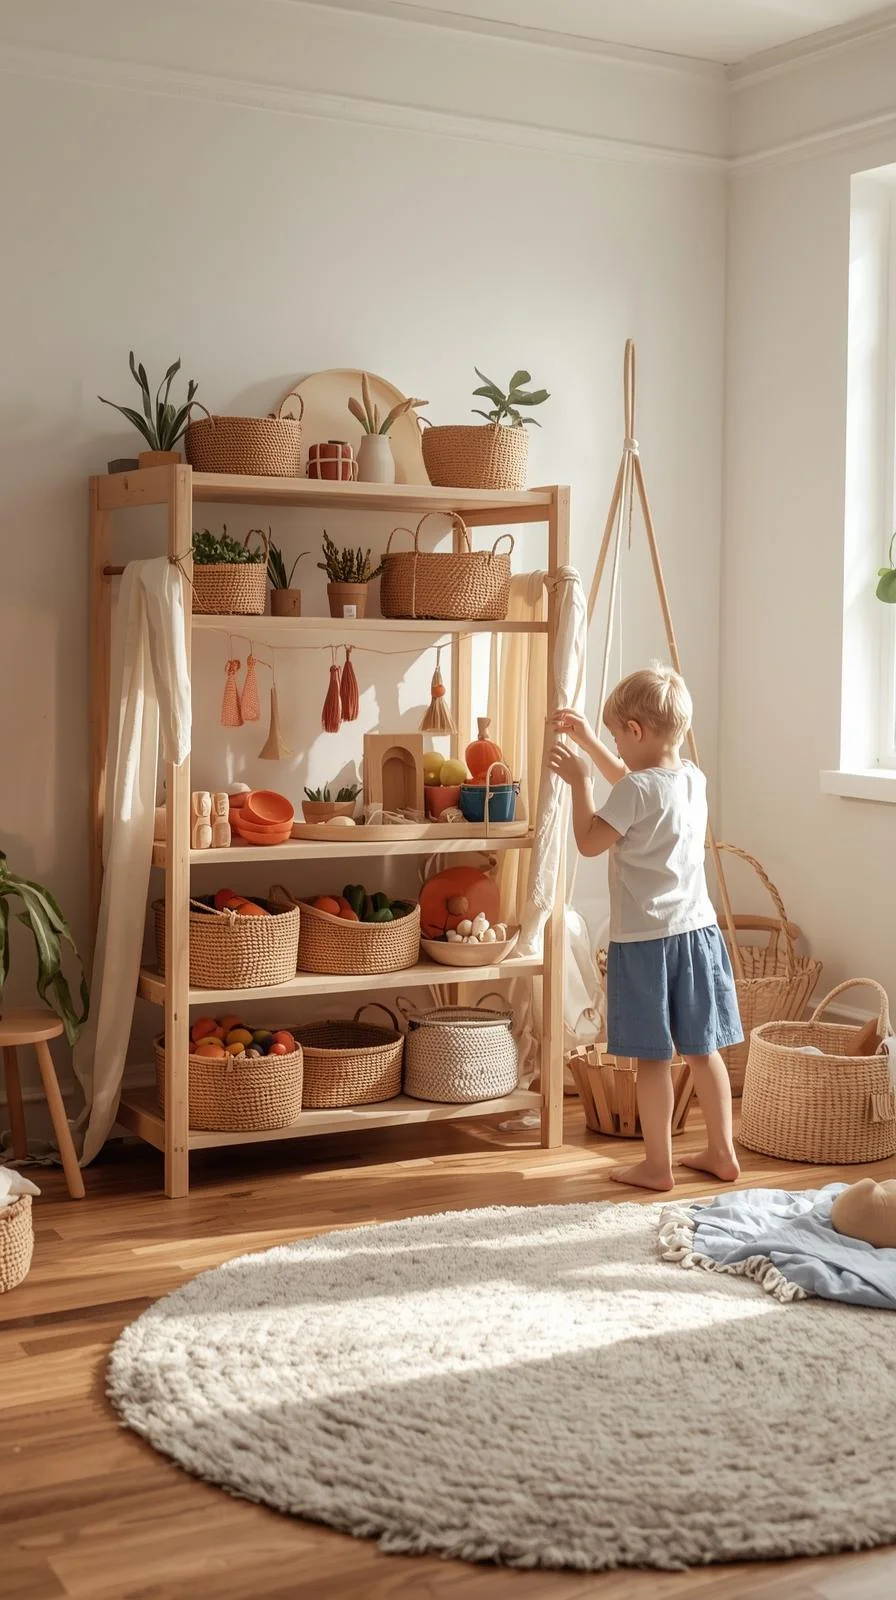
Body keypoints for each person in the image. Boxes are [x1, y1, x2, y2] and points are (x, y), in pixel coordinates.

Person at [550, 665, 742, 1192]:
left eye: (616, 736)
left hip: (646, 945)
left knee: (653, 1059)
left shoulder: (634, 791)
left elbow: (591, 839)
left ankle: (658, 1166)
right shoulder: (691, 780)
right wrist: (592, 742)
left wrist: (581, 782)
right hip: (698, 935)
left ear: (635, 731)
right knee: (704, 1051)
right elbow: (637, 786)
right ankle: (722, 1151)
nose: (614, 744)